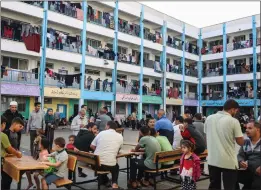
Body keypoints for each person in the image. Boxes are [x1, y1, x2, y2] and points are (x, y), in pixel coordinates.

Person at [204, 99, 244, 190]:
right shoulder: (233, 121)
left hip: (212, 160)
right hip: (228, 161)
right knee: (230, 186)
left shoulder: (209, 118)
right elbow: (240, 142)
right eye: (236, 111)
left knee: (214, 186)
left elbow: (207, 139)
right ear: (232, 109)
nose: (236, 113)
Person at [91, 121, 123, 189]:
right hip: (110, 166)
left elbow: (92, 146)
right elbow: (118, 149)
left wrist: (99, 150)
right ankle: (114, 183)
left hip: (96, 165)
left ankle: (105, 181)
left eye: (106, 126)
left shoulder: (101, 133)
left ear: (108, 126)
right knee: (116, 166)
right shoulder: (120, 136)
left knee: (104, 161)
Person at [237, 122, 261, 190]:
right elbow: (240, 155)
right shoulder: (245, 142)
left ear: (258, 129)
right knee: (230, 175)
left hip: (258, 173)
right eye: (246, 128)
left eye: (250, 128)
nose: (246, 130)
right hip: (248, 171)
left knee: (255, 185)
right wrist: (240, 161)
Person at [1, 116, 22, 190]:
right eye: (20, 126)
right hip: (5, 160)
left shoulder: (17, 134)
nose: (20, 129)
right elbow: (8, 148)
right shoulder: (4, 134)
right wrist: (17, 153)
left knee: (8, 179)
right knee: (6, 180)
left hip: (10, 157)